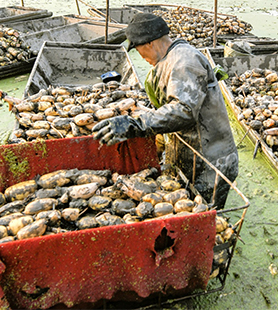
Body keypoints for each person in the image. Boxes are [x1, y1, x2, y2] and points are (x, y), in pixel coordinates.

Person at [92, 13, 239, 209]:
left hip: (211, 162)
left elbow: (184, 110)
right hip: (190, 154)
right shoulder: (167, 60)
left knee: (205, 217)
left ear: (150, 43)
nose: (141, 57)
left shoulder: (185, 60)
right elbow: (168, 107)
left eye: (139, 50)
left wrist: (137, 124)